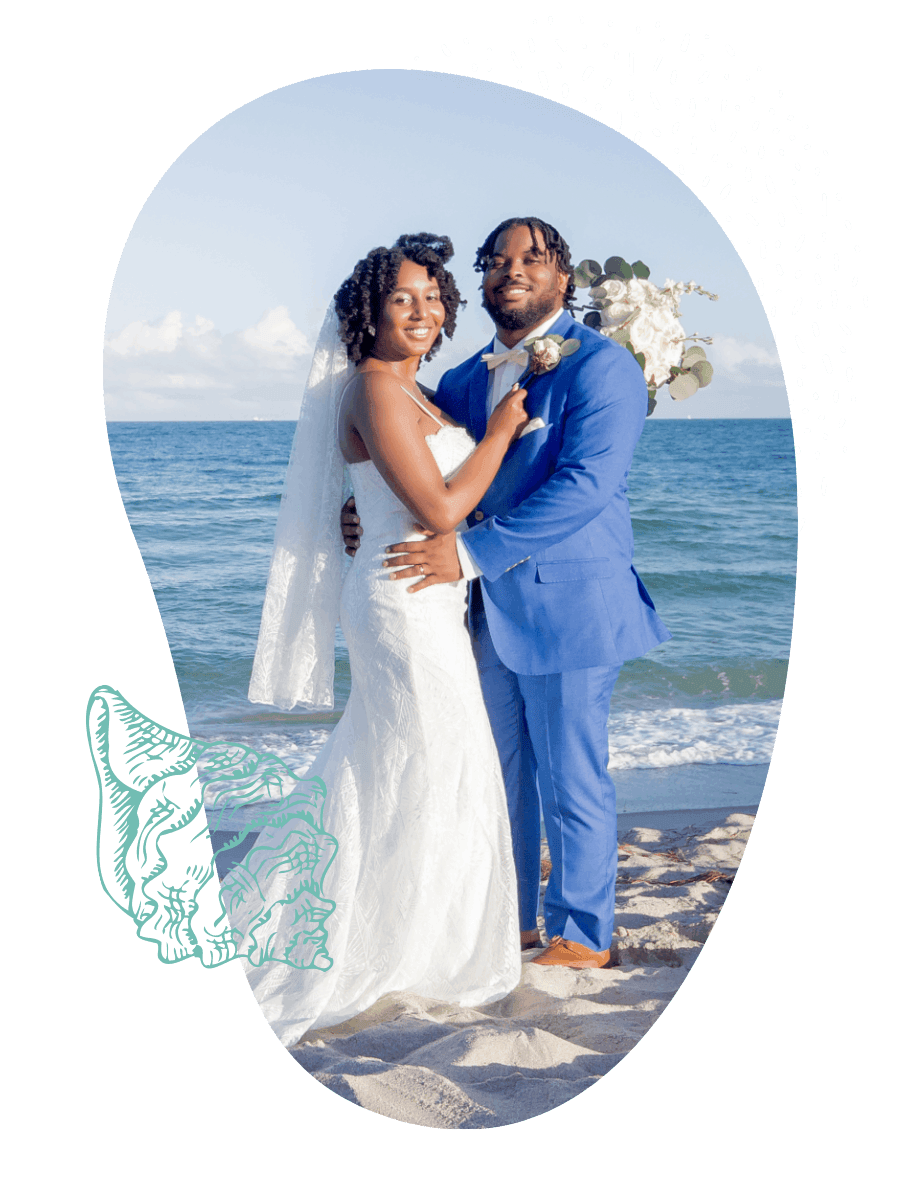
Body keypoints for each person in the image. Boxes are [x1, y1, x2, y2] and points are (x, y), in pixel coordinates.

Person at [225, 234, 531, 1047]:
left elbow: (394, 495)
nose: (424, 311)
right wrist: (499, 432)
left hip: (426, 601)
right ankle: (391, 951)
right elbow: (437, 509)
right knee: (426, 763)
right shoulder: (374, 389)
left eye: (434, 297)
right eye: (404, 298)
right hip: (401, 606)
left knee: (416, 766)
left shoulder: (416, 390)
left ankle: (420, 940)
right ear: (370, 311)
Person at [343, 218, 670, 968]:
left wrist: (470, 552)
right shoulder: (460, 380)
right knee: (496, 776)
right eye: (497, 261)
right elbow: (419, 457)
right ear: (482, 283)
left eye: (532, 259)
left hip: (569, 603)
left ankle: (581, 935)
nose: (510, 271)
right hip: (479, 615)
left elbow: (586, 486)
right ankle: (511, 918)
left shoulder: (601, 368)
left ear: (565, 278)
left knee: (571, 774)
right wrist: (364, 502)